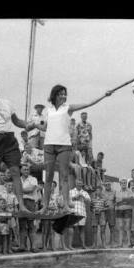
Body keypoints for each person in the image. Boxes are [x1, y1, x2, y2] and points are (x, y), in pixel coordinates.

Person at [40, 84, 114, 217]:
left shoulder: (68, 108)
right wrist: (34, 124)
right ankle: (44, 206)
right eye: (61, 93)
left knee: (64, 176)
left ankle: (66, 206)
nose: (64, 96)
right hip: (49, 145)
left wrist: (103, 95)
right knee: (49, 177)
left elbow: (88, 104)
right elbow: (45, 126)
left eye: (65, 93)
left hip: (64, 145)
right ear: (55, 95)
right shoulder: (48, 110)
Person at [0, 80, 39, 215]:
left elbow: (17, 121)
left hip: (10, 140)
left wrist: (28, 125)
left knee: (16, 171)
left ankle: (21, 205)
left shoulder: (7, 103)